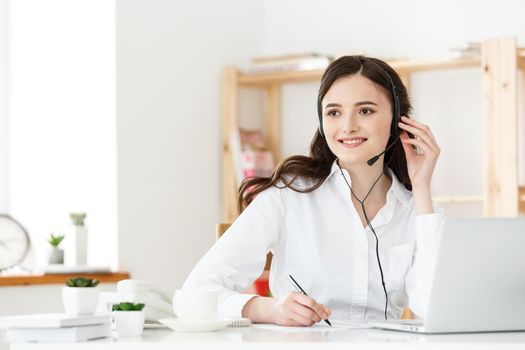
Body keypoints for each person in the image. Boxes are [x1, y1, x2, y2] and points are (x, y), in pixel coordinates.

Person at [183, 55, 444, 326]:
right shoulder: (288, 198)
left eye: (365, 110)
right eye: (334, 112)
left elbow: (433, 309)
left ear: (398, 119)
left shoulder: (418, 211)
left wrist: (422, 188)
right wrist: (267, 309)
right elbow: (193, 295)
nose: (348, 126)